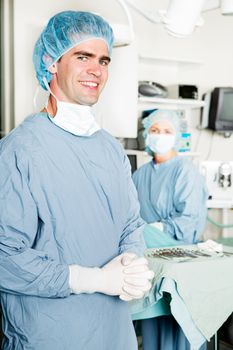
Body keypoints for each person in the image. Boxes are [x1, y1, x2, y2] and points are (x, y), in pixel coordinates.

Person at [0, 11, 154, 350]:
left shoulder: (109, 148)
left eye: (104, 60)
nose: (96, 70)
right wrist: (91, 279)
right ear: (51, 62)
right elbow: (5, 257)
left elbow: (129, 224)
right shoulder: (20, 151)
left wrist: (132, 260)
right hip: (52, 334)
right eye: (82, 57)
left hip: (114, 332)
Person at [132, 109, 208, 350]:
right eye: (154, 130)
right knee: (153, 322)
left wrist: (157, 228)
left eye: (166, 131)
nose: (159, 135)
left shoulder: (185, 171)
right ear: (146, 134)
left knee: (178, 325)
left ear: (176, 136)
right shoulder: (140, 175)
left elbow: (190, 221)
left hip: (180, 262)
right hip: (150, 262)